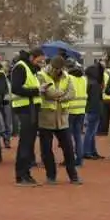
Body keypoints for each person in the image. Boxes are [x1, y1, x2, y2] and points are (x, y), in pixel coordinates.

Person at [37, 56, 81, 184]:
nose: (55, 71)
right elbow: (48, 93)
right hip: (46, 118)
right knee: (46, 150)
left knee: (68, 148)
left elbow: (72, 93)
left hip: (62, 119)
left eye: (58, 69)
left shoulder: (67, 76)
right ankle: (51, 176)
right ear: (50, 65)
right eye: (54, 68)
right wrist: (62, 93)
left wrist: (60, 97)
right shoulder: (41, 75)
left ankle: (73, 175)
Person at [11, 48, 45, 186]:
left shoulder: (30, 68)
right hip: (25, 109)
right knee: (25, 143)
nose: (42, 63)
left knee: (29, 143)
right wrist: (37, 90)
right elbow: (16, 88)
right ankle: (21, 175)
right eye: (40, 60)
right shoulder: (21, 67)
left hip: (31, 109)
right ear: (32, 57)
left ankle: (26, 173)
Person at [83, 63, 105, 160]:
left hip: (90, 109)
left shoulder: (89, 82)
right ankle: (88, 151)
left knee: (91, 132)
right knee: (90, 132)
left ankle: (91, 151)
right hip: (95, 109)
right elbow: (96, 100)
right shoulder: (95, 84)